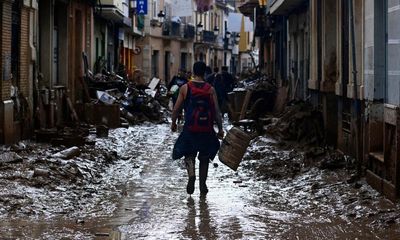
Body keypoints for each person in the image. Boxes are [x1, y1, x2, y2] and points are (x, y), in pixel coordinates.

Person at [171, 61, 224, 195]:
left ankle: (191, 176)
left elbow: (176, 108)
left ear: (193, 72)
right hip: (206, 129)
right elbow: (217, 111)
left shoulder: (185, 88)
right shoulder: (210, 89)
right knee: (204, 157)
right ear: (204, 72)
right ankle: (202, 185)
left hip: (190, 128)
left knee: (189, 154)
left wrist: (173, 123)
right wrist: (220, 129)